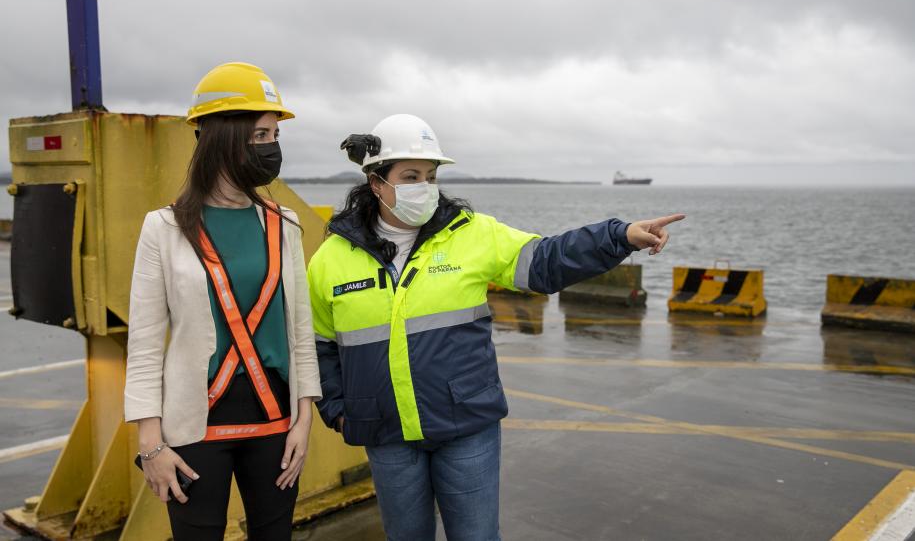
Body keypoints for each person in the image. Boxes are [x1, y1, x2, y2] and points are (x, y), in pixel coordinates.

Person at [308, 113, 684, 540]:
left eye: (430, 176)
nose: (425, 187)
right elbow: (320, 346)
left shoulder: (471, 234)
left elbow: (545, 261)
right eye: (411, 176)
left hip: (467, 426)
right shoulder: (331, 259)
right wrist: (338, 412)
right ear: (376, 182)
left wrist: (619, 236)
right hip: (387, 432)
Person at [124, 61, 322, 540]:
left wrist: (304, 419)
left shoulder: (283, 223)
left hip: (275, 424)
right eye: (259, 135)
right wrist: (150, 445)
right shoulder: (164, 228)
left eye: (274, 135)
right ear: (219, 138)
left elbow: (299, 329)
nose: (271, 148)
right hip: (192, 431)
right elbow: (146, 345)